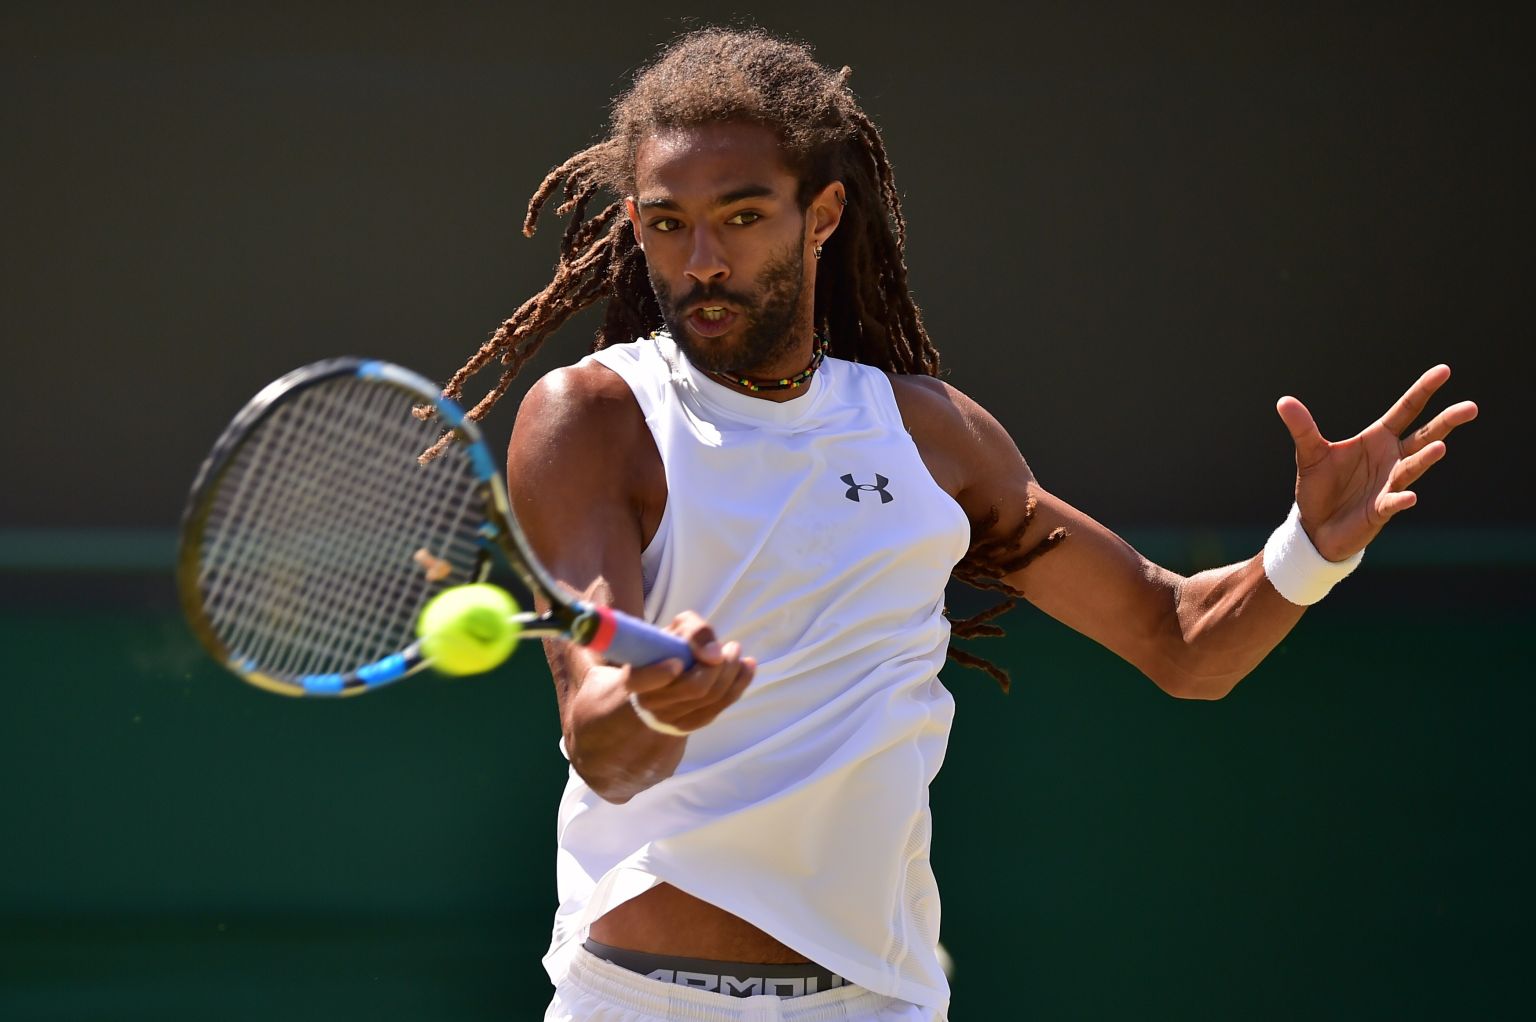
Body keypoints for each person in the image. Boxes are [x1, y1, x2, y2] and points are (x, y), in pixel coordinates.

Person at [426, 26, 1477, 1022]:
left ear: (823, 214)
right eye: (667, 221)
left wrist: (1313, 547)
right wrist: (658, 704)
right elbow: (600, 741)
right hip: (644, 1001)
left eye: (741, 216)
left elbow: (1184, 640)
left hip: (883, 998)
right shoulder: (595, 416)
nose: (700, 258)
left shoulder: (929, 435)